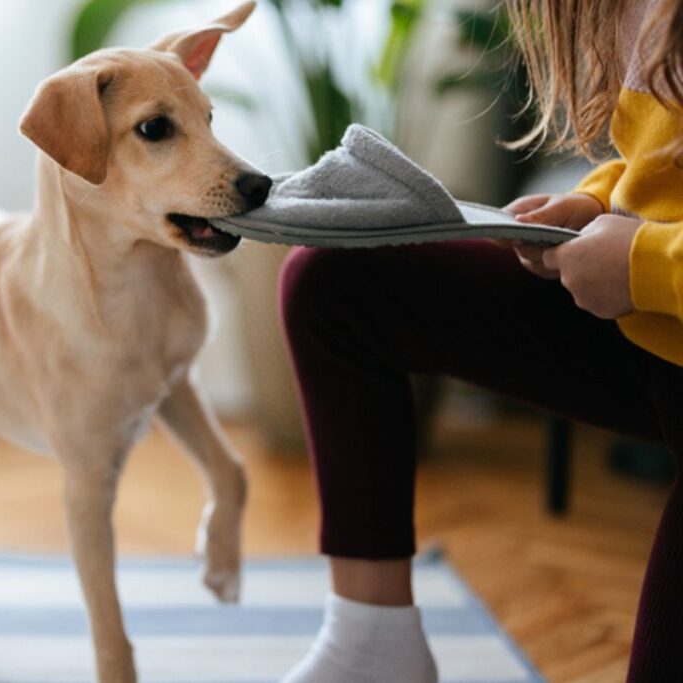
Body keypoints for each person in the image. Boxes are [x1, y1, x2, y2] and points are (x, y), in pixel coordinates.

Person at [278, 0, 683, 681]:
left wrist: (642, 264)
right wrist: (597, 201)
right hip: (655, 338)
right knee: (337, 286)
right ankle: (371, 647)